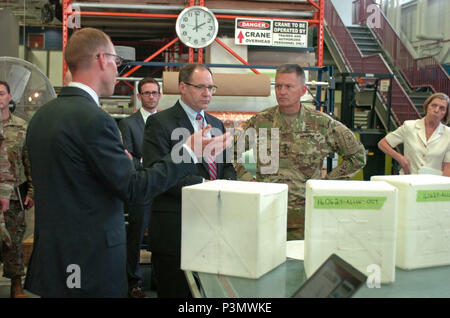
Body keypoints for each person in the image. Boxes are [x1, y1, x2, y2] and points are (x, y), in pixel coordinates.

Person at [23, 28, 232, 298]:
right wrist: (188, 152)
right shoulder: (95, 120)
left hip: (53, 260)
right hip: (89, 263)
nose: (116, 71)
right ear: (101, 60)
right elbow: (134, 188)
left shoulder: (42, 117)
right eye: (115, 62)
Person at [234, 63, 366, 241]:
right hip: (266, 213)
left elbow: (357, 156)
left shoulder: (322, 124)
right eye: (278, 86)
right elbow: (233, 152)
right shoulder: (260, 121)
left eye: (288, 86)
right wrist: (248, 180)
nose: (282, 92)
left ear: (303, 90)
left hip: (306, 219)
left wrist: (327, 184)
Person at [142, 63, 237, 298]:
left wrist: (229, 183)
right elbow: (157, 172)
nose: (208, 93)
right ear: (182, 87)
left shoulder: (215, 124)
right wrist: (206, 187)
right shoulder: (160, 124)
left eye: (211, 87)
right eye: (201, 87)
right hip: (176, 230)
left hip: (213, 228)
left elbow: (226, 167)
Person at [118, 77, 161, 298]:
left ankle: (158, 278)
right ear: (139, 96)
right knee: (135, 237)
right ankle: (134, 282)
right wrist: (151, 164)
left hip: (162, 189)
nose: (151, 96)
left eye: (154, 92)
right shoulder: (128, 123)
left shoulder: (165, 122)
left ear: (159, 95)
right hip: (140, 188)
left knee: (160, 236)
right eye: (146, 93)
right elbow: (127, 157)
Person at [0, 81, 34, 298]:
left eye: (1, 93)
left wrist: (32, 190)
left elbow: (30, 161)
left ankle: (16, 284)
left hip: (13, 195)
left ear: (9, 97)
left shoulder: (22, 126)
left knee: (13, 241)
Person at [378, 92, 450, 176]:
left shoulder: (448, 134)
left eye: (442, 108)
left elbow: (447, 167)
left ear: (445, 113)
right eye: (433, 105)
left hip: (432, 184)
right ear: (427, 106)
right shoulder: (409, 126)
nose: (436, 110)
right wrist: (401, 159)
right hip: (408, 180)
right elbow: (382, 144)